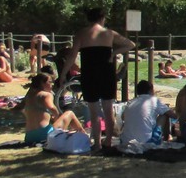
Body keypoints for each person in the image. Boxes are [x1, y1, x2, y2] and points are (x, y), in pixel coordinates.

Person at [58, 8, 136, 149]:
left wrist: (63, 74)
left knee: (93, 111)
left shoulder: (81, 34)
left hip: (90, 74)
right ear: (103, 18)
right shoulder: (109, 33)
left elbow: (72, 56)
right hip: (107, 73)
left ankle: (98, 143)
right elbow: (130, 44)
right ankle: (108, 142)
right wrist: (114, 53)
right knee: (108, 109)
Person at [22, 73, 87, 146]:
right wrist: (56, 117)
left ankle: (79, 135)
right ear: (42, 83)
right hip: (44, 135)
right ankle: (85, 137)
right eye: (49, 82)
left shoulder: (29, 96)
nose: (52, 84)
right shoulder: (46, 95)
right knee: (69, 113)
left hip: (29, 136)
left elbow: (24, 111)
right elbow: (52, 107)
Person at [119, 80, 177, 146]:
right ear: (150, 90)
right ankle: (167, 138)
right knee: (164, 115)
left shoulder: (131, 102)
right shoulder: (153, 100)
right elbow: (173, 115)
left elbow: (123, 117)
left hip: (125, 141)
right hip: (146, 142)